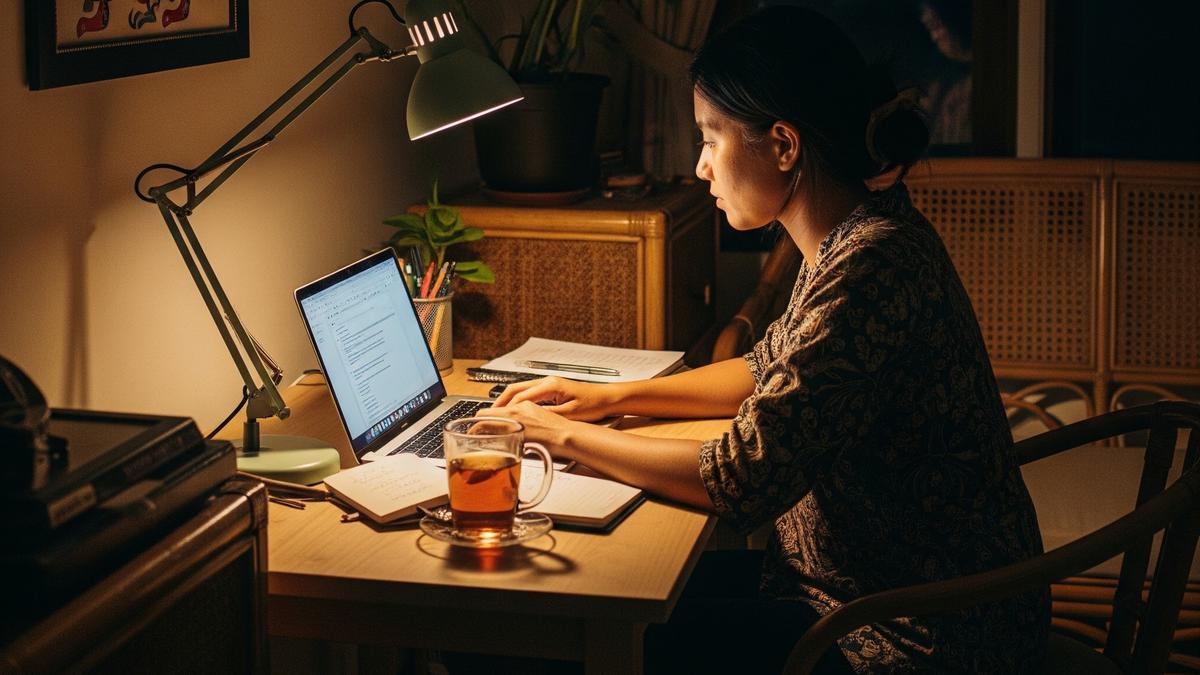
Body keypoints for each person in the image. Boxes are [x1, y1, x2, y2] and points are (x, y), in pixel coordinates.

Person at [487, 5, 1049, 673]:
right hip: (844, 590)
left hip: (908, 636)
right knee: (566, 603)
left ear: (783, 145)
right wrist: (602, 399)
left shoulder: (871, 266)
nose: (700, 168)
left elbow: (744, 478)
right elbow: (763, 366)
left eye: (710, 138)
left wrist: (562, 438)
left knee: (541, 635)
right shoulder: (859, 234)